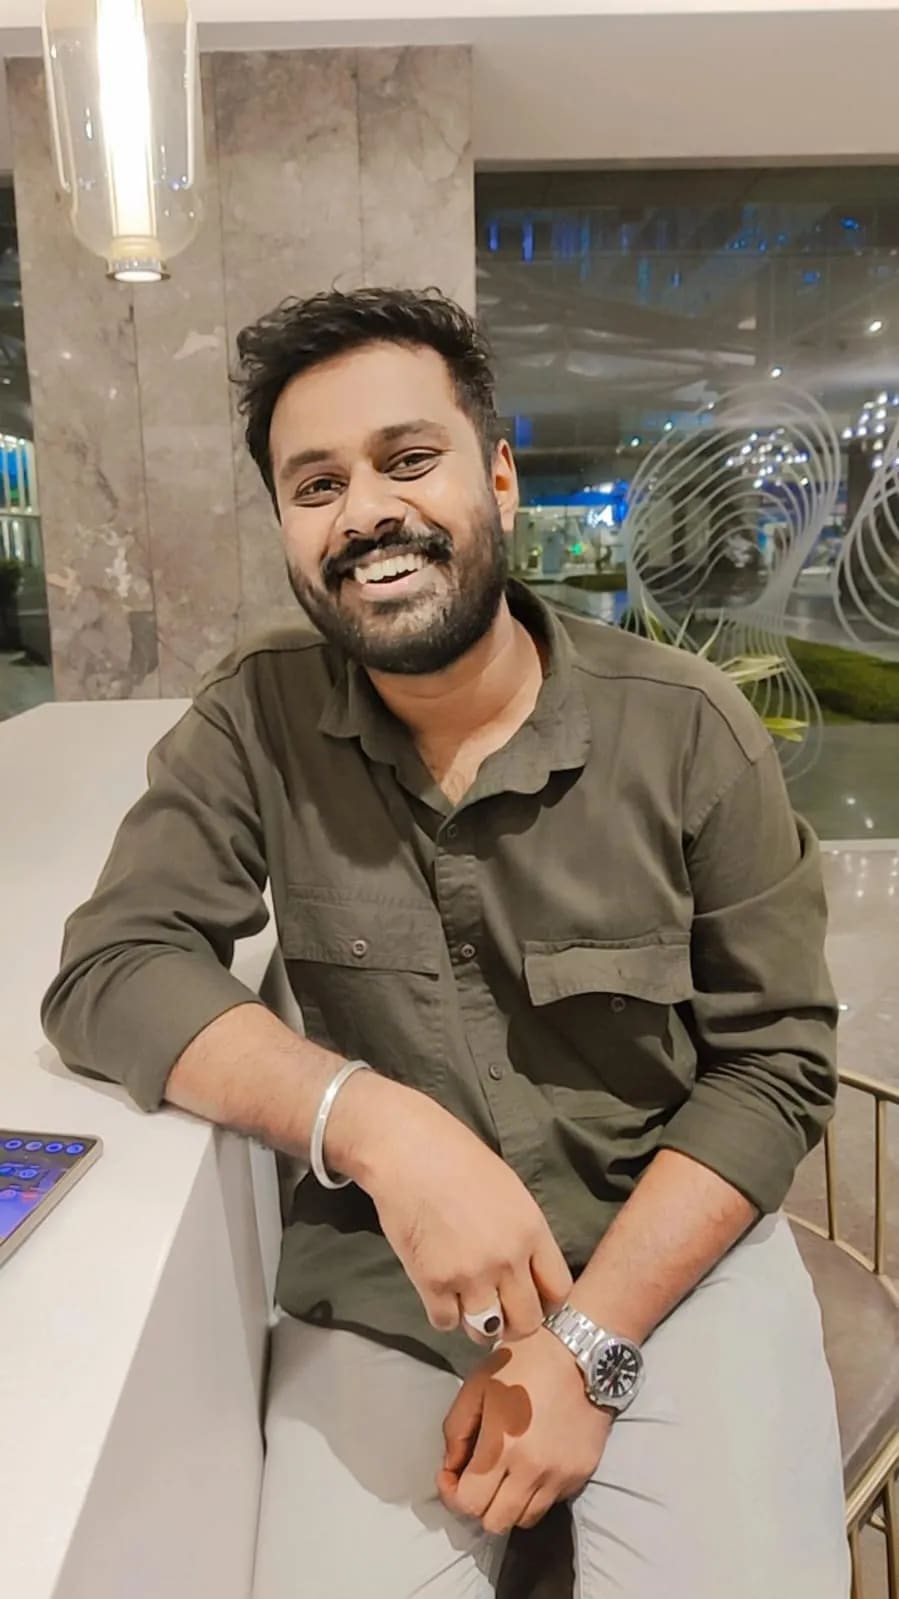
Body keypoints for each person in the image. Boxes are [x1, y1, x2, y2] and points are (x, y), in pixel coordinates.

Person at [42, 288, 849, 1599]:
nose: (365, 511)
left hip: (670, 1262)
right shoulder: (257, 723)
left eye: (408, 459)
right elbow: (112, 969)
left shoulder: (686, 729)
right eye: (317, 485)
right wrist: (379, 1127)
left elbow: (776, 1066)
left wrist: (586, 1345)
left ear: (500, 478)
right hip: (388, 1290)